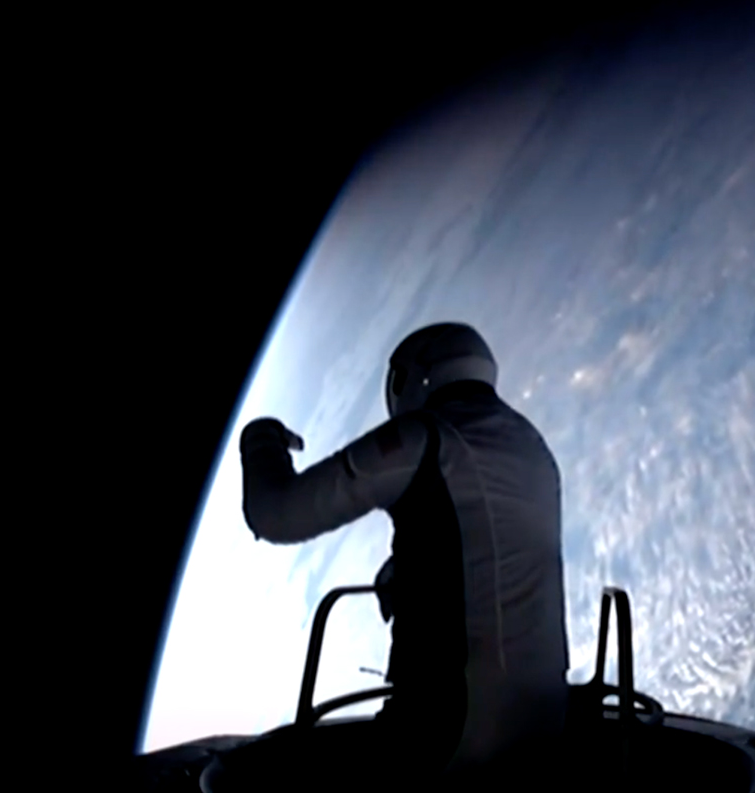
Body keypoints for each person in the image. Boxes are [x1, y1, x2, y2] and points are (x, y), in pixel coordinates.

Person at [239, 323, 570, 785]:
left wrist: (261, 439)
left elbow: (276, 514)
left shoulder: (426, 438)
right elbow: (495, 547)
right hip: (547, 724)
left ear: (413, 375)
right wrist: (406, 570)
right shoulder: (533, 449)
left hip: (449, 732)